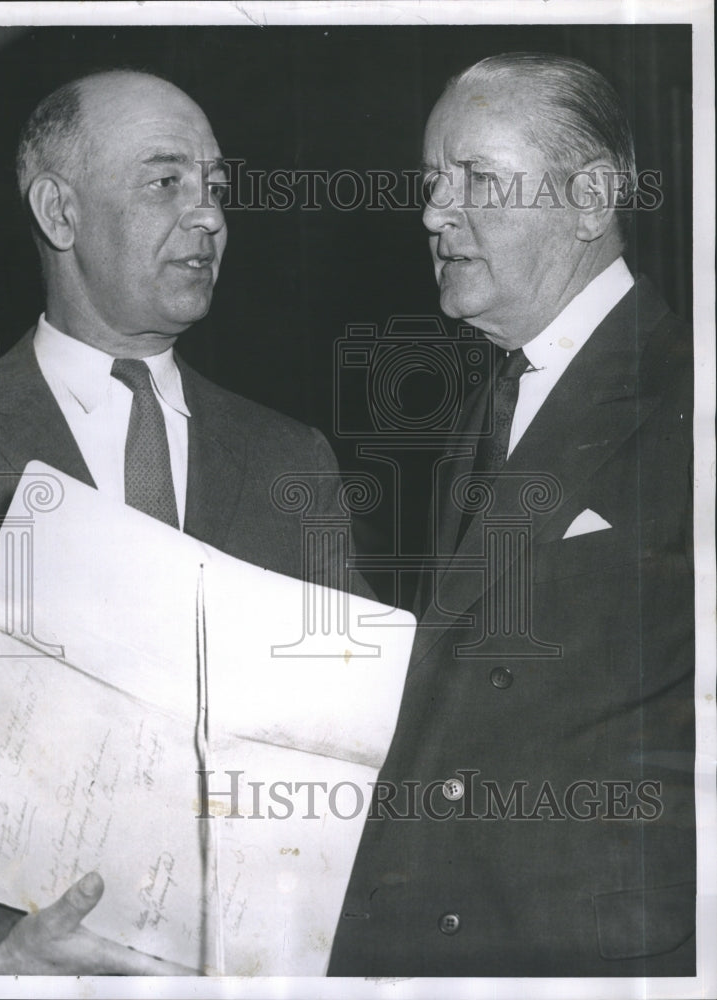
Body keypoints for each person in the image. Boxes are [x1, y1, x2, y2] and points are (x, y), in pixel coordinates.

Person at [0, 69, 359, 975]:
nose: (208, 215)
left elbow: (350, 750)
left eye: (215, 186)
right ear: (59, 212)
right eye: (166, 181)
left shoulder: (292, 462)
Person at [329, 52, 695, 977]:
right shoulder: (485, 407)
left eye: (476, 180)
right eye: (431, 183)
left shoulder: (687, 400)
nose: (433, 214)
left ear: (590, 199)